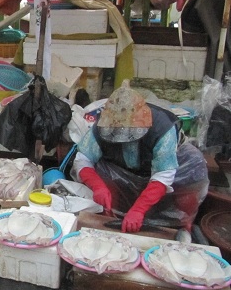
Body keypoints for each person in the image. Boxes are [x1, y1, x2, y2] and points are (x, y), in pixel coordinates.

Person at [71, 80, 209, 233]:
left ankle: (182, 227)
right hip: (121, 165)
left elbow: (163, 174)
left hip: (166, 164)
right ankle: (112, 217)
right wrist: (98, 186)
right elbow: (83, 159)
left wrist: (138, 210)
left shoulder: (162, 128)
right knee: (102, 174)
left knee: (192, 173)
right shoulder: (101, 125)